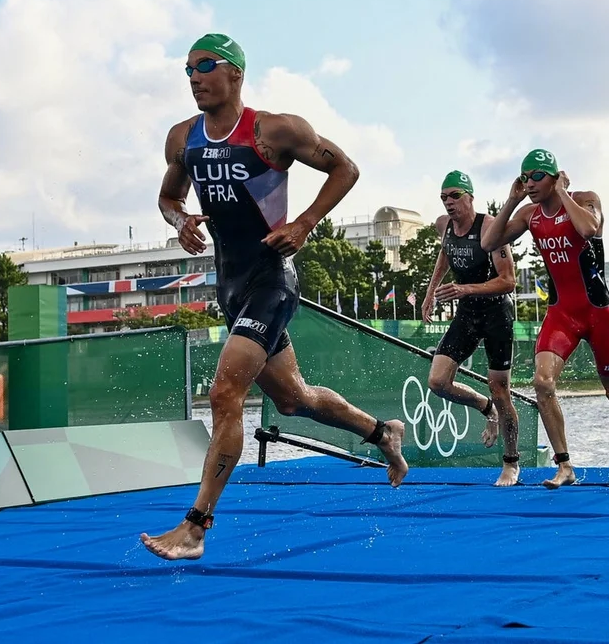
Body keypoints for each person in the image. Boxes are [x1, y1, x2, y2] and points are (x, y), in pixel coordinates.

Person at [141, 34, 408, 561]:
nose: (193, 77)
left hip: (272, 280)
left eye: (204, 66)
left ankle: (196, 526)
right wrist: (180, 221)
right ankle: (383, 433)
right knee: (293, 399)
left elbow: (345, 168)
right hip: (230, 286)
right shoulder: (182, 138)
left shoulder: (274, 131)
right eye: (187, 69)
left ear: (236, 73)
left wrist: (306, 223)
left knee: (223, 394)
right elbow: (168, 196)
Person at [481, 149, 609, 488]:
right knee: (542, 383)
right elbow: (489, 242)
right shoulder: (530, 215)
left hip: (597, 313)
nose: (529, 183)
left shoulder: (585, 200)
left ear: (556, 176)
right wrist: (512, 200)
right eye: (524, 176)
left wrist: (561, 192)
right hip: (562, 314)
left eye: (536, 176)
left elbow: (589, 229)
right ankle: (565, 465)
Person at [421, 170, 521, 487]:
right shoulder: (444, 225)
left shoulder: (490, 227)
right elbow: (445, 254)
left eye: (454, 196)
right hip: (467, 313)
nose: (448, 203)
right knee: (437, 381)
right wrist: (429, 292)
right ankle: (484, 407)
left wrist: (464, 289)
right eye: (443, 198)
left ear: (469, 197)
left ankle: (511, 462)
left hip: (495, 315)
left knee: (501, 389)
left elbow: (508, 281)